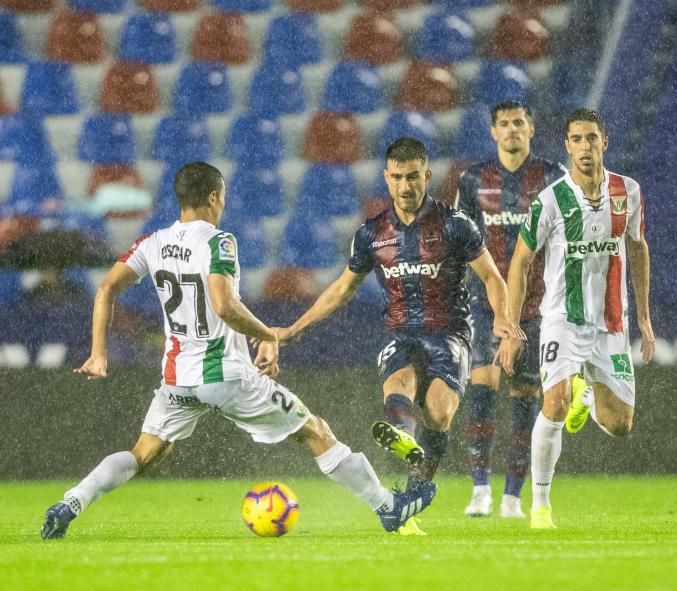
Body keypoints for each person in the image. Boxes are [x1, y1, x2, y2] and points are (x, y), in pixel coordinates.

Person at [41, 162, 434, 540]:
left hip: (178, 378)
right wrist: (269, 335)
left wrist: (98, 353)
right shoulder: (219, 241)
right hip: (226, 375)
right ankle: (387, 506)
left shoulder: (153, 242)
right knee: (313, 429)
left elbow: (106, 288)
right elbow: (224, 305)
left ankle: (71, 502)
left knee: (143, 453)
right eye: (222, 197)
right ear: (214, 197)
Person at [273, 138, 522, 536]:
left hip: (450, 333)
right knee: (398, 385)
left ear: (427, 176)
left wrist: (503, 321)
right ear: (386, 179)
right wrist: (293, 329)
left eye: (413, 177)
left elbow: (492, 277)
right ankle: (404, 439)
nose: (406, 186)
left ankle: (413, 492)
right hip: (401, 332)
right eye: (397, 178)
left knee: (439, 413)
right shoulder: (372, 234)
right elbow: (341, 289)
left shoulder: (455, 225)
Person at [497, 108, 656, 529]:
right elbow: (520, 262)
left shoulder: (629, 191)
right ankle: (541, 506)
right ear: (566, 146)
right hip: (562, 320)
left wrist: (643, 315)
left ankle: (584, 394)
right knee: (553, 403)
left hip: (612, 323)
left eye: (592, 138)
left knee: (620, 425)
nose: (585, 147)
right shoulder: (550, 201)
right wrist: (512, 326)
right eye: (577, 140)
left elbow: (637, 248)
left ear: (605, 141)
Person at [453, 100, 566, 519]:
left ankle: (513, 497)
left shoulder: (554, 177)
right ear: (493, 132)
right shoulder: (473, 179)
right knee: (482, 387)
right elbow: (459, 240)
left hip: (538, 308)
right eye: (504, 124)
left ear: (531, 129)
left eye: (519, 122)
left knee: (525, 395)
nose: (512, 130)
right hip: (486, 305)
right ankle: (480, 489)